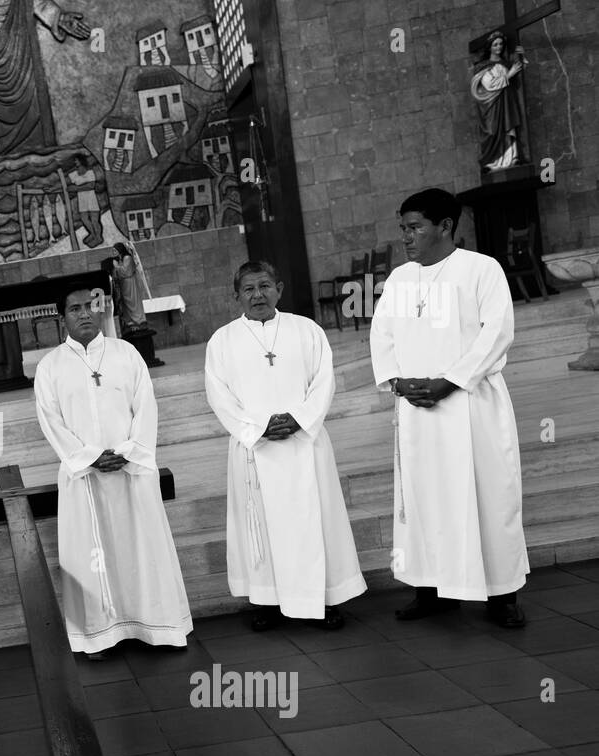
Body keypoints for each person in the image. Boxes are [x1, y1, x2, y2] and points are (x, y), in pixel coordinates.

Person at [370, 188, 528, 628]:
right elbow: (382, 336)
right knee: (425, 501)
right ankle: (431, 589)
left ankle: (502, 596)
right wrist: (398, 380)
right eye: (403, 228)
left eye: (415, 227)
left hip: (471, 407)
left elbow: (497, 333)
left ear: (445, 227)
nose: (406, 237)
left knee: (489, 498)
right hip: (419, 413)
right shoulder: (400, 281)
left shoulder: (481, 270)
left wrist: (449, 381)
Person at [205, 261, 367, 632]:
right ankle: (269, 599)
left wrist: (299, 419)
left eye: (264, 286)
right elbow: (218, 395)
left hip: (304, 445)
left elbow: (324, 381)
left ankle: (324, 600)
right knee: (260, 526)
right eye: (248, 288)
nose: (257, 294)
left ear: (279, 288)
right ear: (236, 296)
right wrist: (258, 428)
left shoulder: (306, 330)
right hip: (255, 449)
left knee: (315, 522)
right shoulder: (223, 341)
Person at [35, 284, 193, 659]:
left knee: (142, 549)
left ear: (101, 309)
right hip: (84, 477)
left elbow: (146, 407)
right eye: (74, 309)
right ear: (63, 318)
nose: (84, 314)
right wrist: (89, 456)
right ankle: (98, 636)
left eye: (90, 306)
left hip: (130, 472)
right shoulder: (51, 366)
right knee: (91, 556)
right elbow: (50, 420)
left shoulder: (126, 353)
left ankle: (156, 627)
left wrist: (128, 451)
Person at [470, 30, 528, 172]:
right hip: (492, 106)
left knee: (508, 129)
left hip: (507, 104)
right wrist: (509, 75)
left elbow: (519, 75)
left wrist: (522, 57)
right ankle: (493, 160)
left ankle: (511, 158)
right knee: (492, 132)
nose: (498, 47)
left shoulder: (506, 63)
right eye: (495, 44)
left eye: (501, 44)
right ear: (489, 47)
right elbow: (489, 84)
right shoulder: (483, 66)